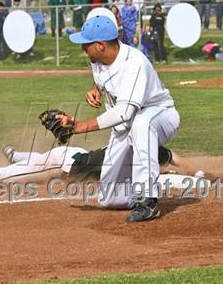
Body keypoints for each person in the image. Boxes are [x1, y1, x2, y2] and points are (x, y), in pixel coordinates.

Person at [66, 15, 180, 222]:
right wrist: (96, 89)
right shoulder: (99, 59)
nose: (83, 49)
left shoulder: (134, 64)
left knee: (141, 123)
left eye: (86, 44)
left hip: (159, 114)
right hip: (124, 128)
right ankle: (145, 182)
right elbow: (103, 77)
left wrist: (79, 127)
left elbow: (124, 113)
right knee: (107, 199)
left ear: (100, 45)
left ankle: (147, 200)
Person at [0, 143, 204, 191]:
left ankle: (17, 154)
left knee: (40, 158)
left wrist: (201, 173)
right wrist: (190, 175)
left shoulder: (142, 142)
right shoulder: (148, 152)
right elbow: (171, 165)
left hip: (71, 154)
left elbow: (176, 160)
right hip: (66, 165)